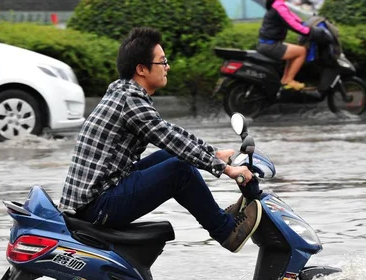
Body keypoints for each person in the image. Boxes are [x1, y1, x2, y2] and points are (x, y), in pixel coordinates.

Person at [59, 27, 261, 253]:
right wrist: (226, 169)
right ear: (142, 69)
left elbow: (169, 131)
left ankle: (220, 217)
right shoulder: (130, 101)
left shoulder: (124, 91)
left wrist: (211, 152)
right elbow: (167, 137)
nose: (168, 67)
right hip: (96, 207)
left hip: (94, 198)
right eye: (162, 62)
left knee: (169, 156)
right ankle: (225, 231)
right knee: (179, 171)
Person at [256, 0, 313, 91]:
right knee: (302, 51)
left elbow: (292, 17)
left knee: (295, 50)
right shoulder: (279, 7)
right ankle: (289, 80)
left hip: (267, 43)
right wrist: (309, 31)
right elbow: (292, 24)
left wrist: (304, 23)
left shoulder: (278, 5)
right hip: (270, 45)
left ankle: (285, 80)